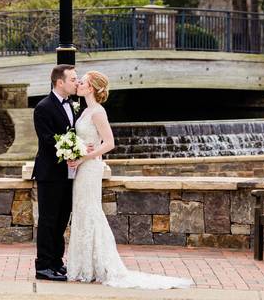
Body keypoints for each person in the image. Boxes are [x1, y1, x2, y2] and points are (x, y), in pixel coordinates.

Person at [65, 71, 192, 289]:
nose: (79, 84)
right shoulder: (85, 110)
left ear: (92, 88)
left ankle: (98, 266)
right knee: (81, 210)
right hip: (82, 167)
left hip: (90, 168)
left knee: (90, 210)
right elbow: (86, 139)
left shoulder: (97, 112)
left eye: (83, 82)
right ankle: (84, 266)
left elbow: (110, 142)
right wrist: (74, 149)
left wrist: (83, 157)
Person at [33, 64, 80, 282]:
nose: (76, 82)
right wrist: (74, 148)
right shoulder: (43, 107)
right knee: (48, 220)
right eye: (72, 79)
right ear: (59, 82)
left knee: (62, 220)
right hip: (50, 173)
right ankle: (43, 266)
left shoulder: (73, 103)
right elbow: (47, 139)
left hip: (69, 173)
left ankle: (56, 262)